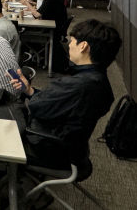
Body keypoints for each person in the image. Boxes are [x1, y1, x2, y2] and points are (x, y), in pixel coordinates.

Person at [10, 19, 120, 173]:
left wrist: (33, 97)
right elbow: (60, 105)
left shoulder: (77, 85)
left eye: (72, 41)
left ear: (83, 46)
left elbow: (37, 108)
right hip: (73, 150)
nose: (68, 44)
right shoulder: (100, 82)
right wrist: (29, 90)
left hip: (47, 148)